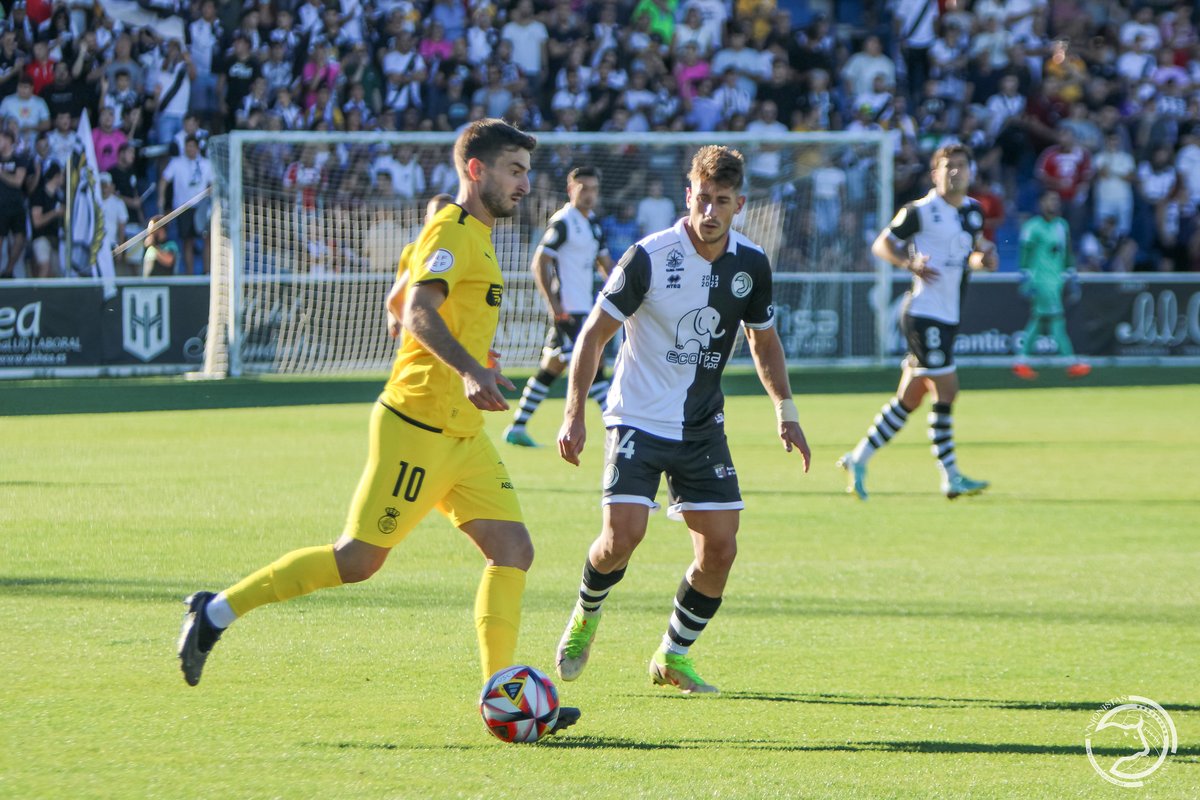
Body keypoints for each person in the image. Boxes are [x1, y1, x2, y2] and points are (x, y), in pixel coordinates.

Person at [176, 118, 580, 735]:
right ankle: (217, 611)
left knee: (513, 549)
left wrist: (465, 354)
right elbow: (419, 308)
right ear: (477, 170)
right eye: (514, 170)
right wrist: (471, 367)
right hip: (416, 426)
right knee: (357, 561)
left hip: (463, 435)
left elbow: (401, 302)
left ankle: (503, 696)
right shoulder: (452, 228)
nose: (526, 183)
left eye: (527, 171)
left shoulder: (471, 232)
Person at [553, 146, 811, 695]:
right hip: (637, 418)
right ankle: (585, 615)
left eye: (723, 201)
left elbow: (763, 340)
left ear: (739, 203)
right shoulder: (648, 255)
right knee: (622, 537)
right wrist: (574, 412)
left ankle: (673, 655)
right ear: (686, 195)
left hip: (700, 428)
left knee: (721, 549)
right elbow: (595, 333)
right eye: (703, 199)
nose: (711, 212)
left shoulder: (751, 264)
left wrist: (786, 411)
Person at [837, 144, 997, 501]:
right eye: (948, 166)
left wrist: (982, 260)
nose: (955, 172)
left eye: (961, 165)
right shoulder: (921, 211)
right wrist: (908, 264)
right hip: (925, 315)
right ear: (935, 174)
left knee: (910, 397)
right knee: (948, 390)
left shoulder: (973, 211)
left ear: (971, 171)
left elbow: (973, 252)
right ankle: (950, 476)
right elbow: (882, 244)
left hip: (948, 314)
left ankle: (858, 458)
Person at [504, 166, 613, 448]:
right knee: (596, 365)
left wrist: (627, 288)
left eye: (593, 189)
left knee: (552, 367)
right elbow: (540, 261)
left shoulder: (592, 225)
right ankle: (617, 428)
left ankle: (517, 426)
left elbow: (606, 265)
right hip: (569, 309)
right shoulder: (564, 222)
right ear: (570, 190)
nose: (589, 195)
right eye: (583, 189)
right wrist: (554, 305)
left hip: (586, 308)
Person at [1012, 191, 1091, 380]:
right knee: (1057, 321)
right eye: (1049, 200)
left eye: (1056, 200)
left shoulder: (1062, 226)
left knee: (1039, 322)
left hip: (1056, 282)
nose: (1054, 203)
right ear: (1041, 203)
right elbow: (1025, 252)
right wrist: (1025, 276)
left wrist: (1071, 273)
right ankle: (1071, 363)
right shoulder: (1033, 227)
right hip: (1040, 282)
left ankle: (1021, 362)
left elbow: (1067, 252)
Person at [157, 136, 213, 275]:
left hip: (202, 207)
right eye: (188, 146)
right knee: (188, 241)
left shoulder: (206, 164)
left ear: (197, 148)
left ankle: (207, 271)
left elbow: (212, 184)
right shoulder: (176, 163)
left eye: (193, 146)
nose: (190, 149)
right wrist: (161, 198)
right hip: (183, 207)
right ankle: (189, 273)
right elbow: (164, 179)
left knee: (208, 239)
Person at [0, 129, 31, 279]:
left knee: (20, 238)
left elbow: (18, 181)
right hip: (0, 207)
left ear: (8, 140)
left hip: (16, 205)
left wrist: (1, 173)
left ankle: (8, 270)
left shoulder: (19, 158)